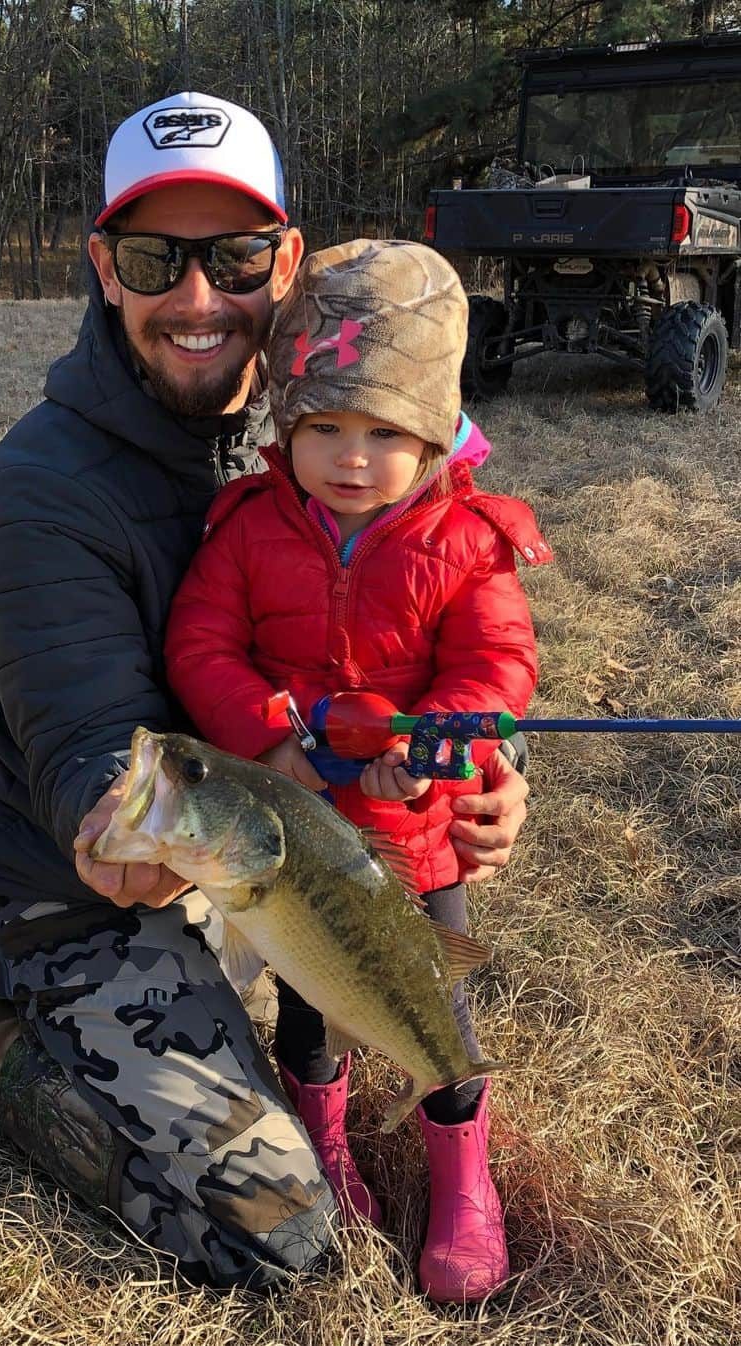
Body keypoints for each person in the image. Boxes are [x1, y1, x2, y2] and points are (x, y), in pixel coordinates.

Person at [0, 93, 531, 1294]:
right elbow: (96, 753)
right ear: (106, 267)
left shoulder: (322, 438)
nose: (199, 299)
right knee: (275, 1230)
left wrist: (490, 777)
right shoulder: (34, 497)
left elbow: (437, 640)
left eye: (236, 256)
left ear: (286, 258)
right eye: (156, 259)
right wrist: (117, 834)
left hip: (286, 860)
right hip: (87, 881)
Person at [165, 238, 552, 1302]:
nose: (348, 455)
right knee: (309, 999)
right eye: (322, 427)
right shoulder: (245, 529)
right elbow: (202, 646)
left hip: (417, 841)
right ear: (285, 427)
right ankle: (325, 1142)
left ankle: (460, 1169)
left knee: (435, 1004)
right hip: (294, 841)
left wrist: (427, 747)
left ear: (434, 434)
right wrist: (273, 734)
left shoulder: (469, 541)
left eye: (384, 432)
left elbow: (497, 667)